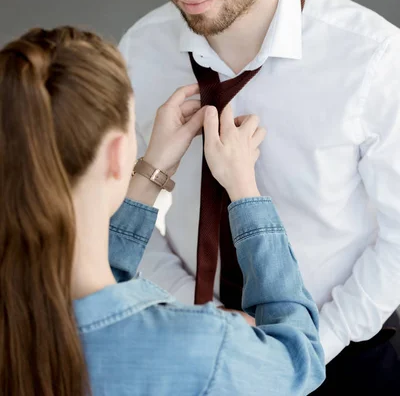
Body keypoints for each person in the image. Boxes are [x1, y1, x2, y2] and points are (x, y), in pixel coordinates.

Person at [118, 0, 400, 394]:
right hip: (190, 344)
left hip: (341, 349)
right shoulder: (141, 52)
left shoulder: (372, 60)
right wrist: (197, 321)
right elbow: (120, 213)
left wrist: (300, 353)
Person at [0, 26, 324, 396]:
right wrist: (245, 192)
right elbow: (300, 359)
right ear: (117, 153)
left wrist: (151, 170)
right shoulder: (199, 348)